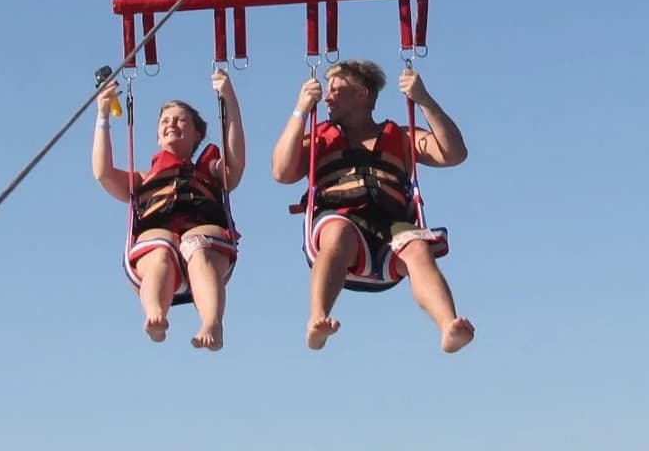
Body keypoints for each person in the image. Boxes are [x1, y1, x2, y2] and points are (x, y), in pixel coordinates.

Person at [271, 60, 474, 353]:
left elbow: (454, 153)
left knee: (417, 246)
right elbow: (281, 171)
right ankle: (317, 318)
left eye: (336, 90)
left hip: (390, 228)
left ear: (362, 93)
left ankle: (447, 326)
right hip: (340, 218)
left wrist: (423, 100)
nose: (327, 97)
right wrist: (300, 110)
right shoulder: (318, 137)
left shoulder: (401, 137)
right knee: (337, 232)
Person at [93, 69, 245, 350]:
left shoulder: (210, 170)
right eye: (164, 120)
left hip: (204, 239)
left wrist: (230, 101)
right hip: (158, 241)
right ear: (158, 136)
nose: (171, 124)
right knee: (161, 249)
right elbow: (103, 173)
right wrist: (102, 116)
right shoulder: (142, 179)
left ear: (197, 132)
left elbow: (234, 166)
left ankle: (212, 323)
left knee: (195, 246)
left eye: (180, 120)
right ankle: (155, 314)